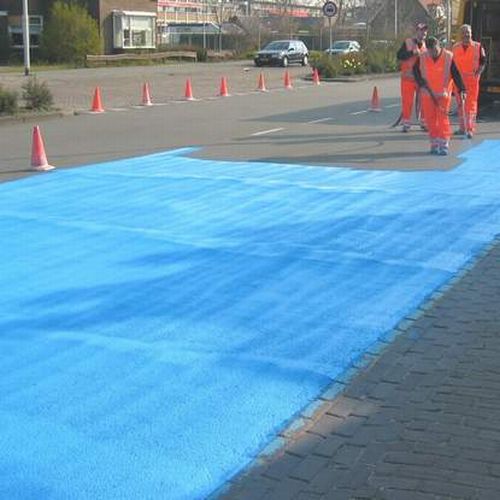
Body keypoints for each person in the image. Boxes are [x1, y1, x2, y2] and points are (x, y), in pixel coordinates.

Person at [413, 36, 466, 156]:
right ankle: (434, 144)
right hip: (428, 95)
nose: (433, 53)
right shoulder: (422, 57)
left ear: (439, 46)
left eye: (435, 50)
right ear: (428, 49)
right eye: (431, 51)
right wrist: (420, 82)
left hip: (443, 95)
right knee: (430, 121)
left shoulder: (448, 57)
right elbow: (415, 71)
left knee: (443, 120)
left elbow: (456, 74)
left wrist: (462, 89)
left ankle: (444, 144)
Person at [452, 24, 487, 138]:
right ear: (460, 35)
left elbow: (483, 61)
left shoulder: (478, 46)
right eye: (463, 32)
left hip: (472, 81)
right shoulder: (455, 47)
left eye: (468, 32)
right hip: (458, 81)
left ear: (471, 33)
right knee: (460, 105)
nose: (466, 34)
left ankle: (470, 129)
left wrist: (479, 72)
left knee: (470, 106)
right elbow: (451, 64)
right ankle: (462, 128)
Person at [397, 22, 428, 132]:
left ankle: (424, 122)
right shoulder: (408, 42)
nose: (424, 32)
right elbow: (399, 55)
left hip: (421, 79)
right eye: (421, 30)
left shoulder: (426, 45)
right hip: (408, 79)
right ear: (417, 31)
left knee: (424, 101)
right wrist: (412, 52)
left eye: (425, 30)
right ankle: (406, 124)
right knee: (407, 102)